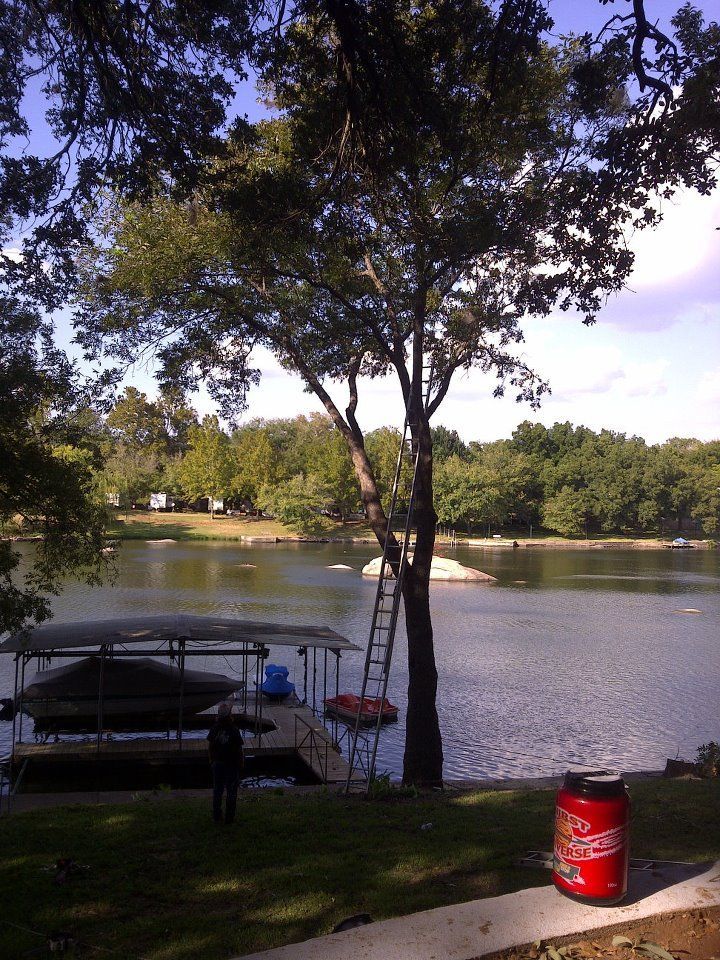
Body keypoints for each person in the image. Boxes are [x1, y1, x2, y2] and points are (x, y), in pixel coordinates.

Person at [207, 701, 244, 824]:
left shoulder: (215, 728)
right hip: (231, 764)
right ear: (229, 716)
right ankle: (229, 817)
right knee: (231, 791)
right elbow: (239, 749)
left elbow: (210, 746)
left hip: (218, 763)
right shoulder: (234, 730)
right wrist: (241, 762)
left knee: (217, 790)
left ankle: (217, 816)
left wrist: (211, 760)